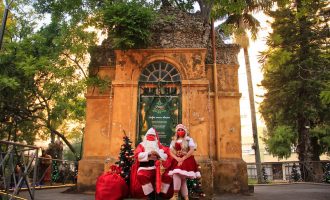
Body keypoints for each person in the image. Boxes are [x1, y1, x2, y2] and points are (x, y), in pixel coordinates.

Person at [168, 124, 201, 200]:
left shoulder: (188, 139)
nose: (180, 131)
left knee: (176, 174)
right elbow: (170, 151)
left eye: (182, 130)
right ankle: (186, 197)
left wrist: (183, 158)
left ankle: (175, 195)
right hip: (176, 160)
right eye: (178, 130)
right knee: (182, 179)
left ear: (185, 131)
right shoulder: (174, 140)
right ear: (176, 131)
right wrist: (177, 158)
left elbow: (192, 150)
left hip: (187, 160)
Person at [134, 128, 168, 200]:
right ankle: (150, 194)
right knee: (141, 175)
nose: (151, 137)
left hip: (157, 167)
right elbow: (137, 155)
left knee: (166, 175)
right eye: (149, 135)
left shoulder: (159, 145)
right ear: (146, 136)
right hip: (145, 166)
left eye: (152, 136)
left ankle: (160, 194)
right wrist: (149, 153)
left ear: (155, 137)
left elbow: (165, 156)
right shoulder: (141, 145)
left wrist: (158, 154)